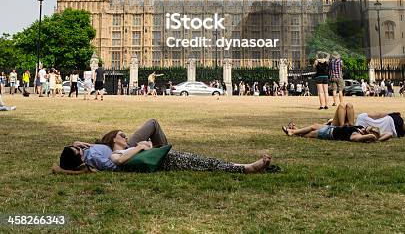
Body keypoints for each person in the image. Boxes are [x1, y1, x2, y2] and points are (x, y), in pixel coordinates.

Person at [58, 119, 272, 175]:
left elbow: (67, 158)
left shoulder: (88, 150)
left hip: (128, 148)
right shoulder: (100, 160)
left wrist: (77, 144)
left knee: (200, 162)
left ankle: (243, 167)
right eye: (78, 152)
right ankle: (244, 168)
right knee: (202, 163)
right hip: (136, 153)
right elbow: (119, 161)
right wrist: (141, 148)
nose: (79, 148)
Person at [282, 104, 382, 142]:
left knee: (312, 130)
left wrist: (371, 136)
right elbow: (388, 134)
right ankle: (295, 131)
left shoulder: (356, 135)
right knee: (347, 105)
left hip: (331, 131)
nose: (365, 128)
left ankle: (294, 132)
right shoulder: (358, 128)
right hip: (337, 128)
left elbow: (369, 137)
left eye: (367, 129)